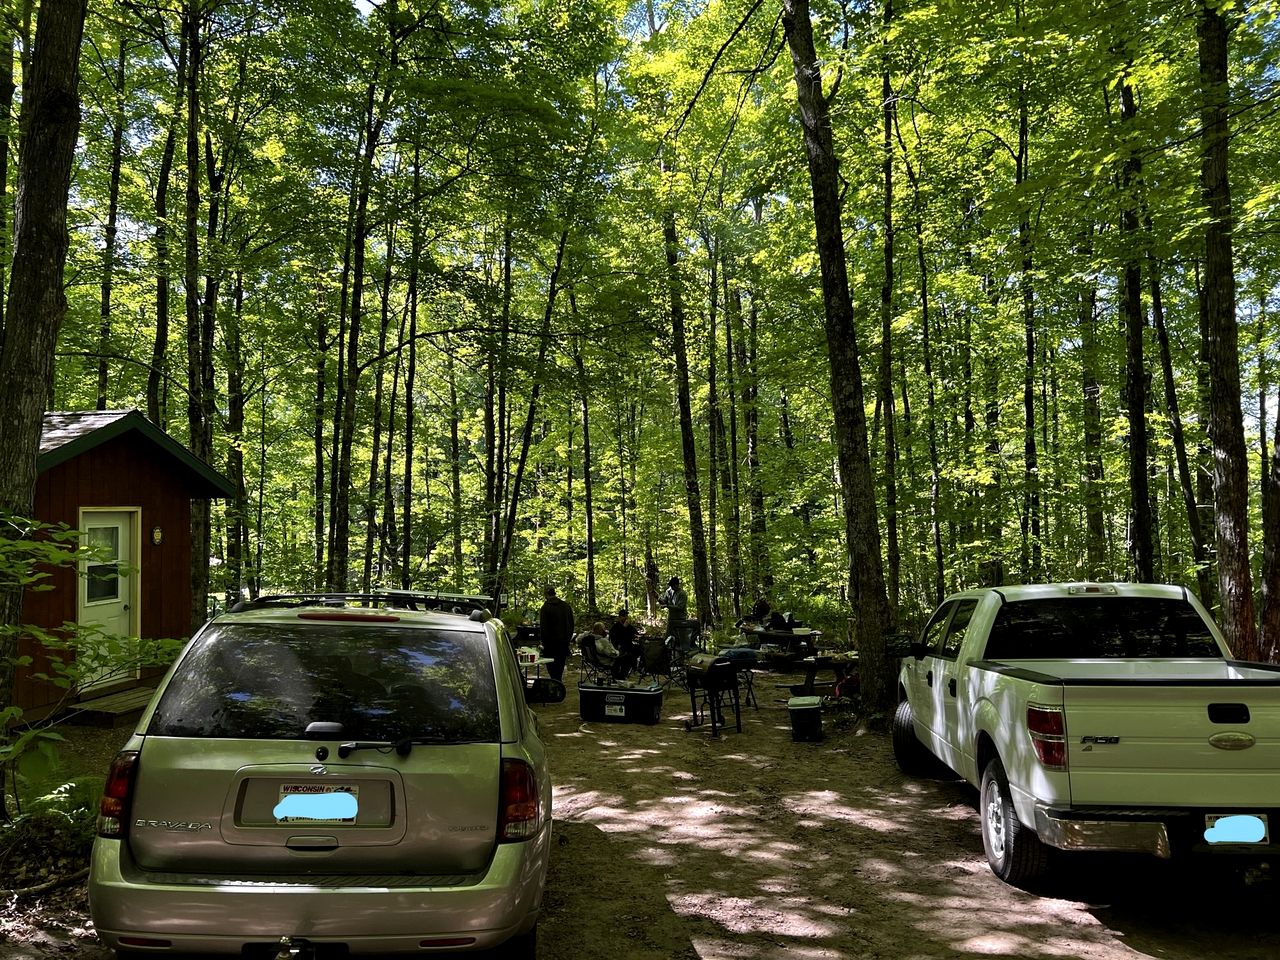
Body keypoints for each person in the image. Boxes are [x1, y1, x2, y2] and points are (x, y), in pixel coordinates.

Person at [538, 585, 575, 682]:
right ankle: (558, 683)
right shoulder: (566, 606)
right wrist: (568, 639)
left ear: (546, 595)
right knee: (559, 668)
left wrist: (543, 642)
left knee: (552, 669)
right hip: (563, 644)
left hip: (550, 645)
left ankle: (555, 685)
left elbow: (543, 627)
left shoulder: (545, 608)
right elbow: (571, 624)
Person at [607, 609, 642, 680]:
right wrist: (624, 628)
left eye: (626, 616)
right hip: (619, 648)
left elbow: (635, 634)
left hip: (629, 646)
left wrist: (637, 636)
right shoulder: (615, 627)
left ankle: (638, 669)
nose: (625, 618)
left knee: (641, 649)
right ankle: (624, 674)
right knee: (628, 656)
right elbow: (616, 639)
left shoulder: (629, 626)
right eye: (623, 616)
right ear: (619, 617)